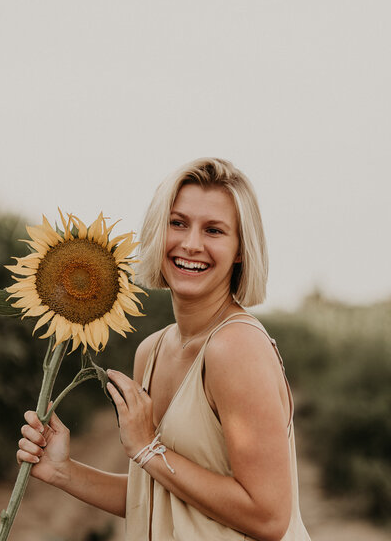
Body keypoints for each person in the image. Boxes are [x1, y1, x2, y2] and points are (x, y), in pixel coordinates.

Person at [17, 157, 311, 541]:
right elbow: (159, 495)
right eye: (178, 223)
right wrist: (64, 471)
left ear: (241, 249)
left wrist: (146, 446)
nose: (191, 244)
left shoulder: (235, 348)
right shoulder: (152, 350)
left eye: (214, 230)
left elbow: (269, 517)